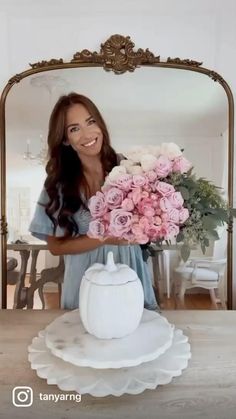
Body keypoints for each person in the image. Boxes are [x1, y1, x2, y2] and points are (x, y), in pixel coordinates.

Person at [29, 92, 158, 311]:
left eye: (91, 122)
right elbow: (56, 248)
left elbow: (150, 218)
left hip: (131, 272)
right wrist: (105, 237)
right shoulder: (57, 185)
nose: (87, 133)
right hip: (84, 281)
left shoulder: (131, 167)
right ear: (64, 139)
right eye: (74, 128)